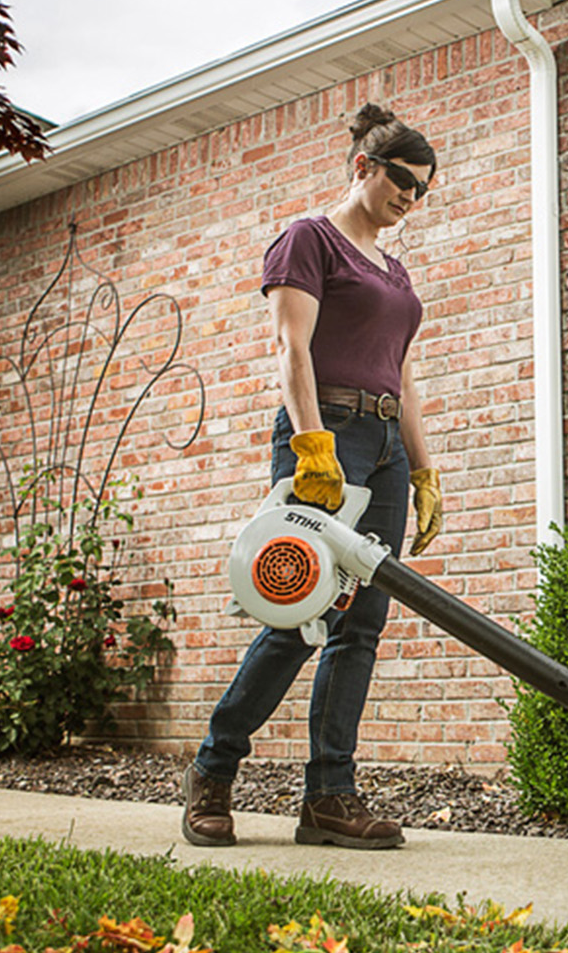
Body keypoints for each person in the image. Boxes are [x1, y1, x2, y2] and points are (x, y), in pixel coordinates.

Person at [181, 103, 443, 850]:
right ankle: (213, 769)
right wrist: (313, 447)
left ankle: (329, 797)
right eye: (401, 180)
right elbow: (289, 348)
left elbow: (404, 377)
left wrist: (423, 471)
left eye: (422, 190)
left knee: (360, 627)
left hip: (385, 444)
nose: (410, 198)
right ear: (363, 165)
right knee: (299, 616)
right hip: (327, 437)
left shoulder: (395, 271)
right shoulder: (310, 239)